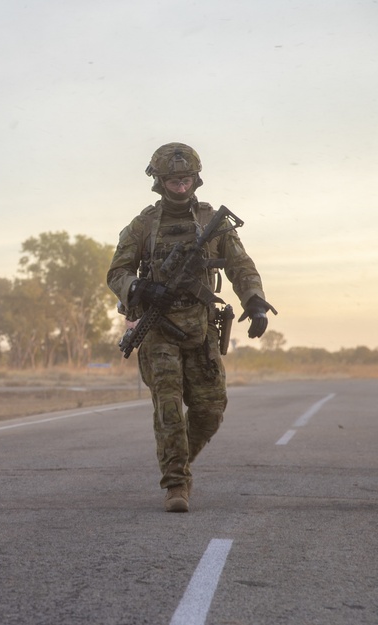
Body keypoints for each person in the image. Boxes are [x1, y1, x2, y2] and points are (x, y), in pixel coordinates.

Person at [107, 142, 276, 513]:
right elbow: (116, 273)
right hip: (159, 329)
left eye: (185, 179)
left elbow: (241, 265)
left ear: (195, 179)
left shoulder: (212, 220)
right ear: (159, 181)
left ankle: (177, 458)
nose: (180, 185)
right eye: (172, 179)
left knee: (210, 409)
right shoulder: (143, 225)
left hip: (201, 328)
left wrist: (255, 300)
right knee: (167, 407)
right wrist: (139, 287)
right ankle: (176, 484)